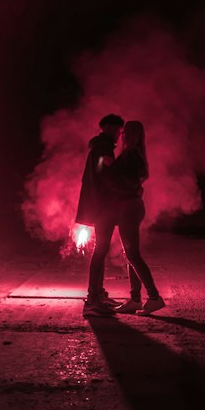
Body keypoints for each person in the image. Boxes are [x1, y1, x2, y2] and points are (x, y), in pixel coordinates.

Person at [98, 120, 165, 315]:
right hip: (131, 207)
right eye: (123, 132)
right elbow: (136, 181)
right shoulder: (136, 155)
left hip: (129, 208)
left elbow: (126, 183)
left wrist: (109, 168)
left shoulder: (131, 155)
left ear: (134, 135)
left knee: (133, 254)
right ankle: (135, 299)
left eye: (126, 132)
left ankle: (154, 297)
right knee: (131, 255)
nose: (123, 135)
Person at [76, 114, 124, 315]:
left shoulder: (101, 146)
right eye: (115, 130)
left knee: (100, 250)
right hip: (102, 206)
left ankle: (97, 293)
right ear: (105, 127)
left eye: (119, 131)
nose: (118, 135)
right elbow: (106, 176)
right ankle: (93, 299)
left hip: (101, 205)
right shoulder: (102, 147)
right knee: (100, 249)